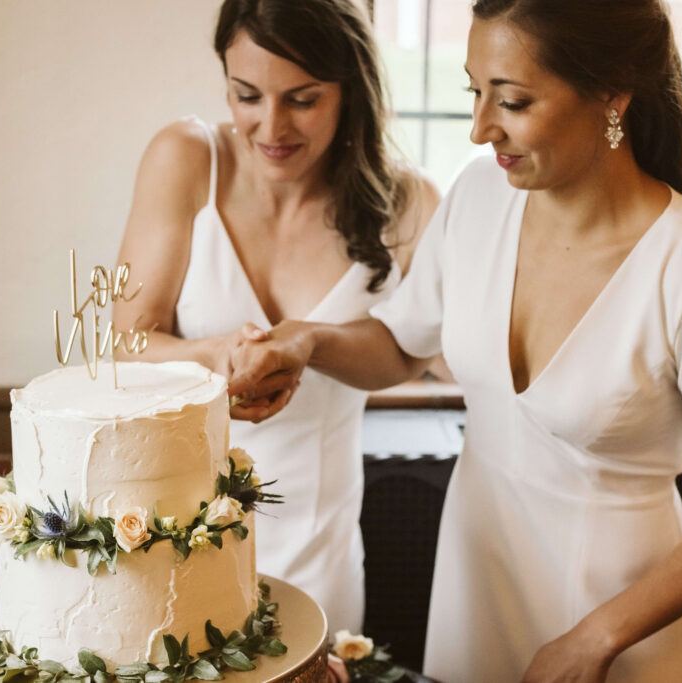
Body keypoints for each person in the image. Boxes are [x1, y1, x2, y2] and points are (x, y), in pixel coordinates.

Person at [227, 0, 682, 681]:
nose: (478, 129)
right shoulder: (478, 199)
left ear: (612, 89)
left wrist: (597, 637)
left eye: (514, 101)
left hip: (622, 620)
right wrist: (305, 342)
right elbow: (400, 344)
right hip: (476, 586)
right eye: (475, 92)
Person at [112, 0, 439, 638]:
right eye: (247, 95)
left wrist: (309, 343)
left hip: (320, 543)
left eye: (303, 98)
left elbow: (408, 355)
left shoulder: (408, 201)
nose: (271, 126)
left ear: (351, 88)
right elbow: (124, 344)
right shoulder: (186, 158)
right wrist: (212, 356)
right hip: (170, 534)